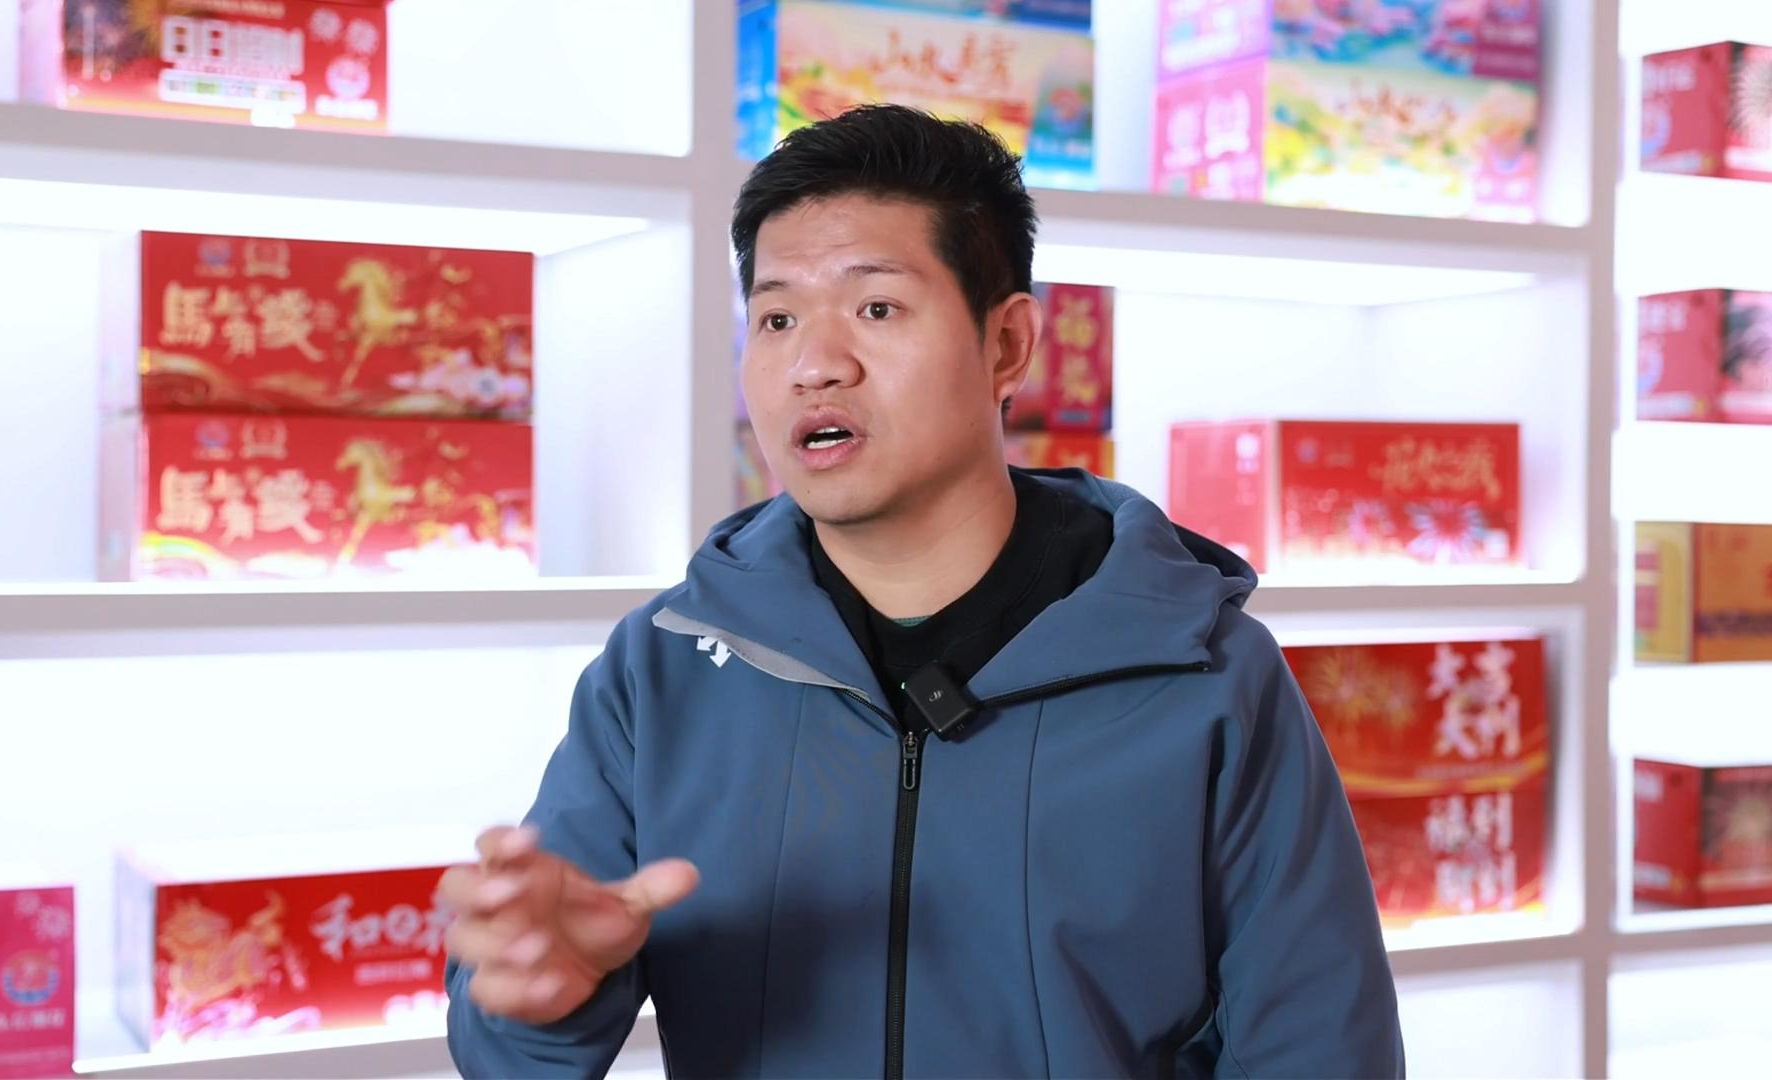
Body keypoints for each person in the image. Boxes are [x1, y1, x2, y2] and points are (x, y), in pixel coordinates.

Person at [443, 103, 1404, 1079]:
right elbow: (507, 1050)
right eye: (777, 318)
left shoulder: (1205, 672)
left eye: (876, 308)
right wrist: (541, 994)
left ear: (1007, 344)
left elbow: (1322, 1045)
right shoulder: (665, 668)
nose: (815, 364)